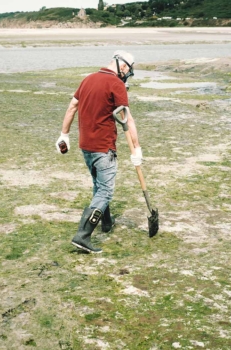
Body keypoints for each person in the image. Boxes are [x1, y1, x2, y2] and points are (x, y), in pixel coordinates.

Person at [56, 50, 142, 253]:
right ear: (123, 66)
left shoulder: (88, 79)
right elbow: (127, 118)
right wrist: (137, 148)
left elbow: (72, 107)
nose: (128, 74)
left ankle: (106, 222)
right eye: (129, 69)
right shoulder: (116, 84)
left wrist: (64, 135)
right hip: (104, 147)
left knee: (98, 185)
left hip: (86, 145)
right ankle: (82, 236)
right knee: (105, 190)